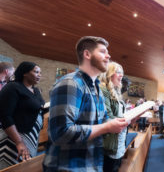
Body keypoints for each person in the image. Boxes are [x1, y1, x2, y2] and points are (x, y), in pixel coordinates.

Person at [43, 36, 129, 171]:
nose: (108, 55)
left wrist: (122, 122)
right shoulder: (71, 83)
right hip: (69, 167)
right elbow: (60, 133)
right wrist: (107, 127)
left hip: (91, 164)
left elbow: (103, 123)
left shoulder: (96, 88)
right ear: (87, 54)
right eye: (102, 51)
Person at [0, 61, 44, 169]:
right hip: (13, 138)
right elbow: (5, 116)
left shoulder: (36, 91)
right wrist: (19, 142)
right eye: (36, 72)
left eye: (40, 73)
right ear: (25, 73)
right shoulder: (12, 87)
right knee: (9, 167)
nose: (39, 75)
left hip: (31, 138)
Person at [99, 61, 127, 172]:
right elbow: (107, 118)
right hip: (109, 143)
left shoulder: (115, 91)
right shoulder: (103, 89)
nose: (122, 75)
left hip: (118, 142)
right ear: (109, 73)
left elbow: (119, 115)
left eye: (122, 72)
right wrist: (126, 120)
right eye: (118, 72)